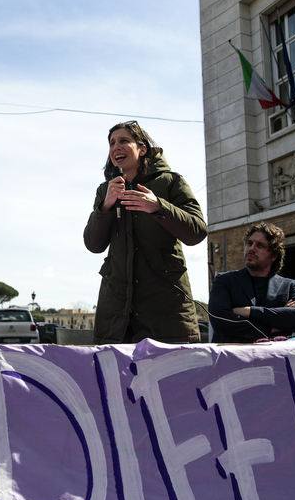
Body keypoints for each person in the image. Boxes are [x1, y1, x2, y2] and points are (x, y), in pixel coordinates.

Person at [83, 121, 207, 344]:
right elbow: (93, 244)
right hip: (116, 317)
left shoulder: (172, 182)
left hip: (166, 312)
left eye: (123, 141)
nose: (115, 148)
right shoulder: (105, 190)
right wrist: (106, 207)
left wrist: (159, 207)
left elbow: (197, 232)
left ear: (142, 148)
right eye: (111, 143)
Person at [208, 222, 295, 342]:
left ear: (274, 255)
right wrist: (273, 325)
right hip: (233, 356)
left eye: (260, 245)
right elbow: (220, 320)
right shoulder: (225, 280)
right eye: (249, 243)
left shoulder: (290, 286)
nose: (251, 249)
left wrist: (248, 311)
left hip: (274, 358)